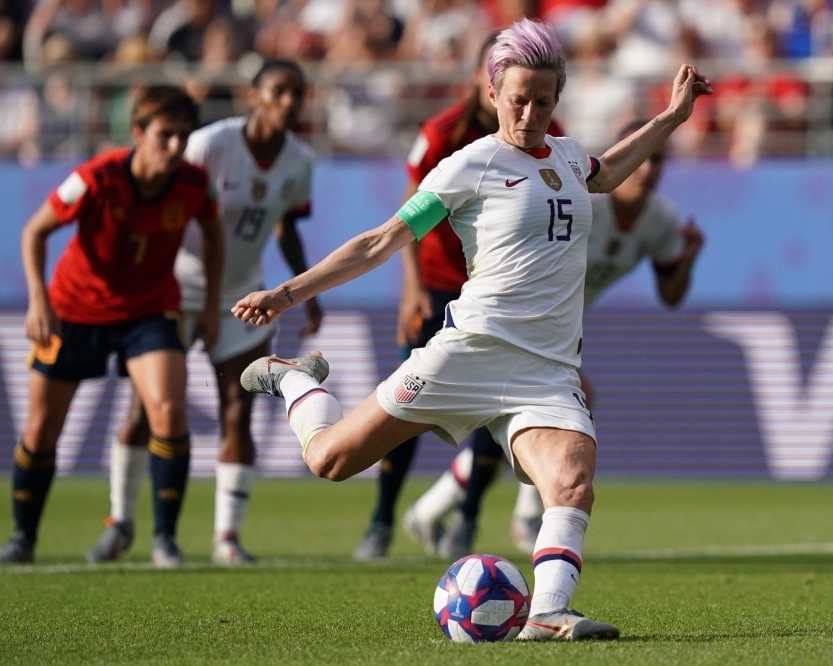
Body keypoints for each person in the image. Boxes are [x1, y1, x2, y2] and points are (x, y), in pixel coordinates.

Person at [234, 19, 710, 640]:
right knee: (330, 460)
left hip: (547, 368)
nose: (530, 112)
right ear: (493, 94)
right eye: (518, 99)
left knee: (572, 479)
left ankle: (546, 614)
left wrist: (672, 116)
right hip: (469, 352)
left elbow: (609, 172)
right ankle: (296, 381)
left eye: (543, 100)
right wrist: (287, 293)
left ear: (557, 97)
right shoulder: (469, 165)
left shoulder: (568, 158)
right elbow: (381, 241)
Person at [407, 118, 706, 559]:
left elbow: (671, 296)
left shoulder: (661, 220)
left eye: (658, 160)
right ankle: (523, 513)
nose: (647, 169)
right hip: (512, 322)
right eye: (642, 158)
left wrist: (688, 260)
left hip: (557, 333)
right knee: (558, 412)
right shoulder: (583, 199)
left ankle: (434, 510)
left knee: (536, 421)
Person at [87, 60, 320, 566]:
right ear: (252, 96)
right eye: (278, 91)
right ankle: (120, 523)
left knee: (239, 412)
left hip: (241, 294)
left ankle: (227, 539)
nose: (288, 101)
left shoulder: (301, 161)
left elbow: (286, 226)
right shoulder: (211, 143)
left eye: (296, 94)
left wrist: (306, 291)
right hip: (173, 290)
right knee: (145, 411)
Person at [352, 33, 567, 562]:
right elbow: (405, 216)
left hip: (496, 295)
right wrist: (412, 289)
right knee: (404, 406)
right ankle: (381, 519)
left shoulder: (548, 134)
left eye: (541, 98)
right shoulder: (443, 135)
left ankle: (467, 519)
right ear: (486, 81)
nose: (530, 109)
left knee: (497, 411)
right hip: (438, 285)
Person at [1, 86, 223, 566]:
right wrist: (38, 301)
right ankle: (22, 539)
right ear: (138, 133)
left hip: (150, 311)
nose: (175, 147)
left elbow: (213, 231)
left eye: (184, 137)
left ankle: (165, 540)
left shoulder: (194, 183)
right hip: (75, 310)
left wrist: (209, 304)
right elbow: (33, 231)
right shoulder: (95, 177)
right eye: (165, 135)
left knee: (167, 411)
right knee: (41, 431)